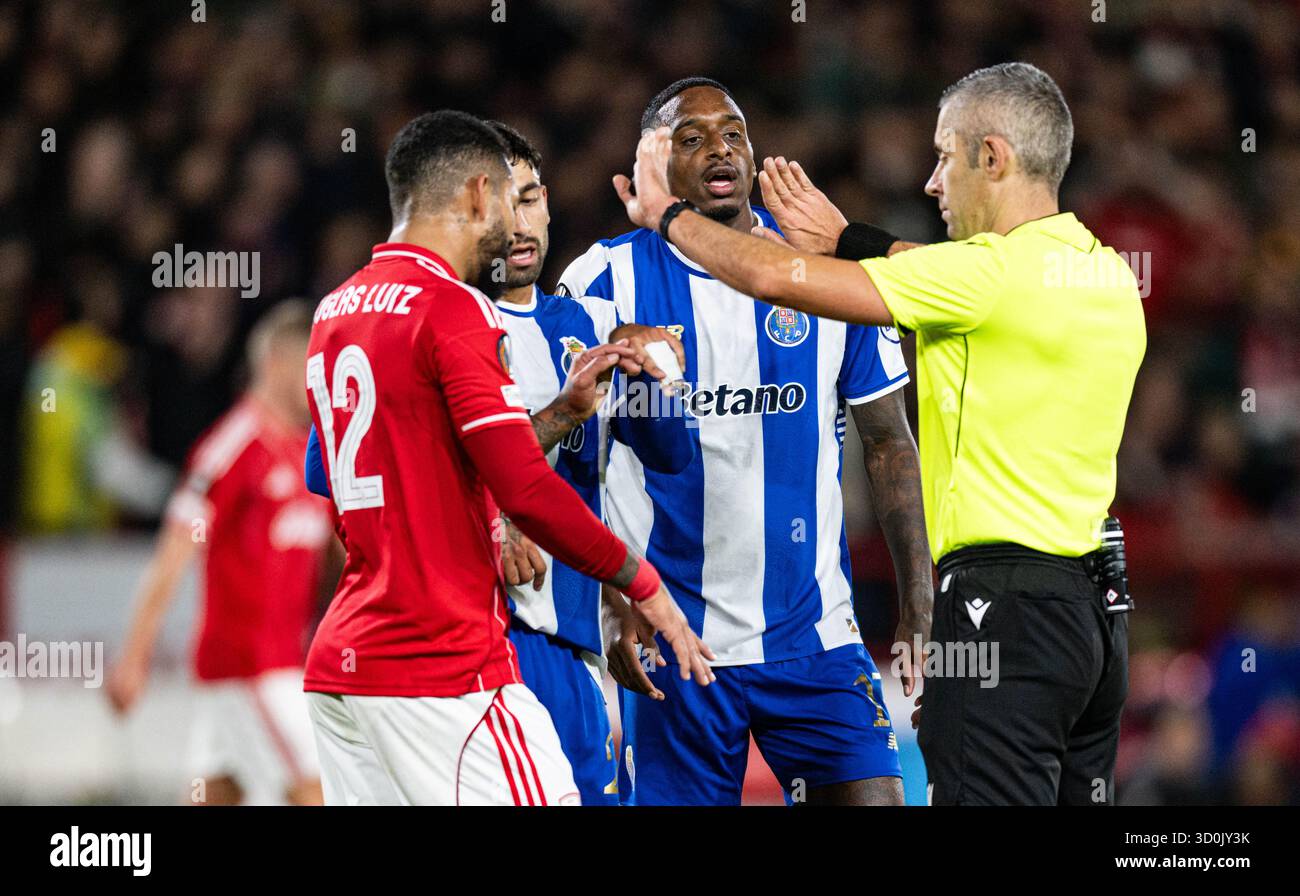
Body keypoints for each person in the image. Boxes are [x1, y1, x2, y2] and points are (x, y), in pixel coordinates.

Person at [614, 62, 1146, 806]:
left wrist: (668, 217)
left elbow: (776, 280)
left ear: (991, 157)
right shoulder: (1104, 273)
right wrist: (850, 236)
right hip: (1096, 618)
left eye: (944, 155)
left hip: (1004, 606)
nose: (932, 182)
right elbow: (927, 269)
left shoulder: (982, 277)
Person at [301, 110, 713, 806]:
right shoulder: (455, 311)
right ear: (473, 196)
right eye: (503, 197)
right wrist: (643, 584)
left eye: (532, 198)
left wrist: (661, 378)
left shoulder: (338, 310)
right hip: (449, 656)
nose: (515, 224)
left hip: (350, 662)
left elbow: (342, 481)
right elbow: (523, 483)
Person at [559, 78, 932, 806]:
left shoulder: (822, 277)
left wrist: (919, 597)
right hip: (674, 640)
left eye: (733, 133)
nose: (719, 150)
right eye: (690, 139)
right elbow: (577, 459)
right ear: (651, 167)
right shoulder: (605, 279)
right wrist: (609, 604)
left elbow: (889, 442)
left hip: (816, 639)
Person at [107, 301, 333, 806]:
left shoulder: (308, 452)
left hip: (277, 664)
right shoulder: (230, 448)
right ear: (275, 362)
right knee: (317, 791)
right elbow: (173, 553)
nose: (316, 381)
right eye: (309, 365)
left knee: (216, 796)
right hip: (249, 667)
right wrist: (134, 655)